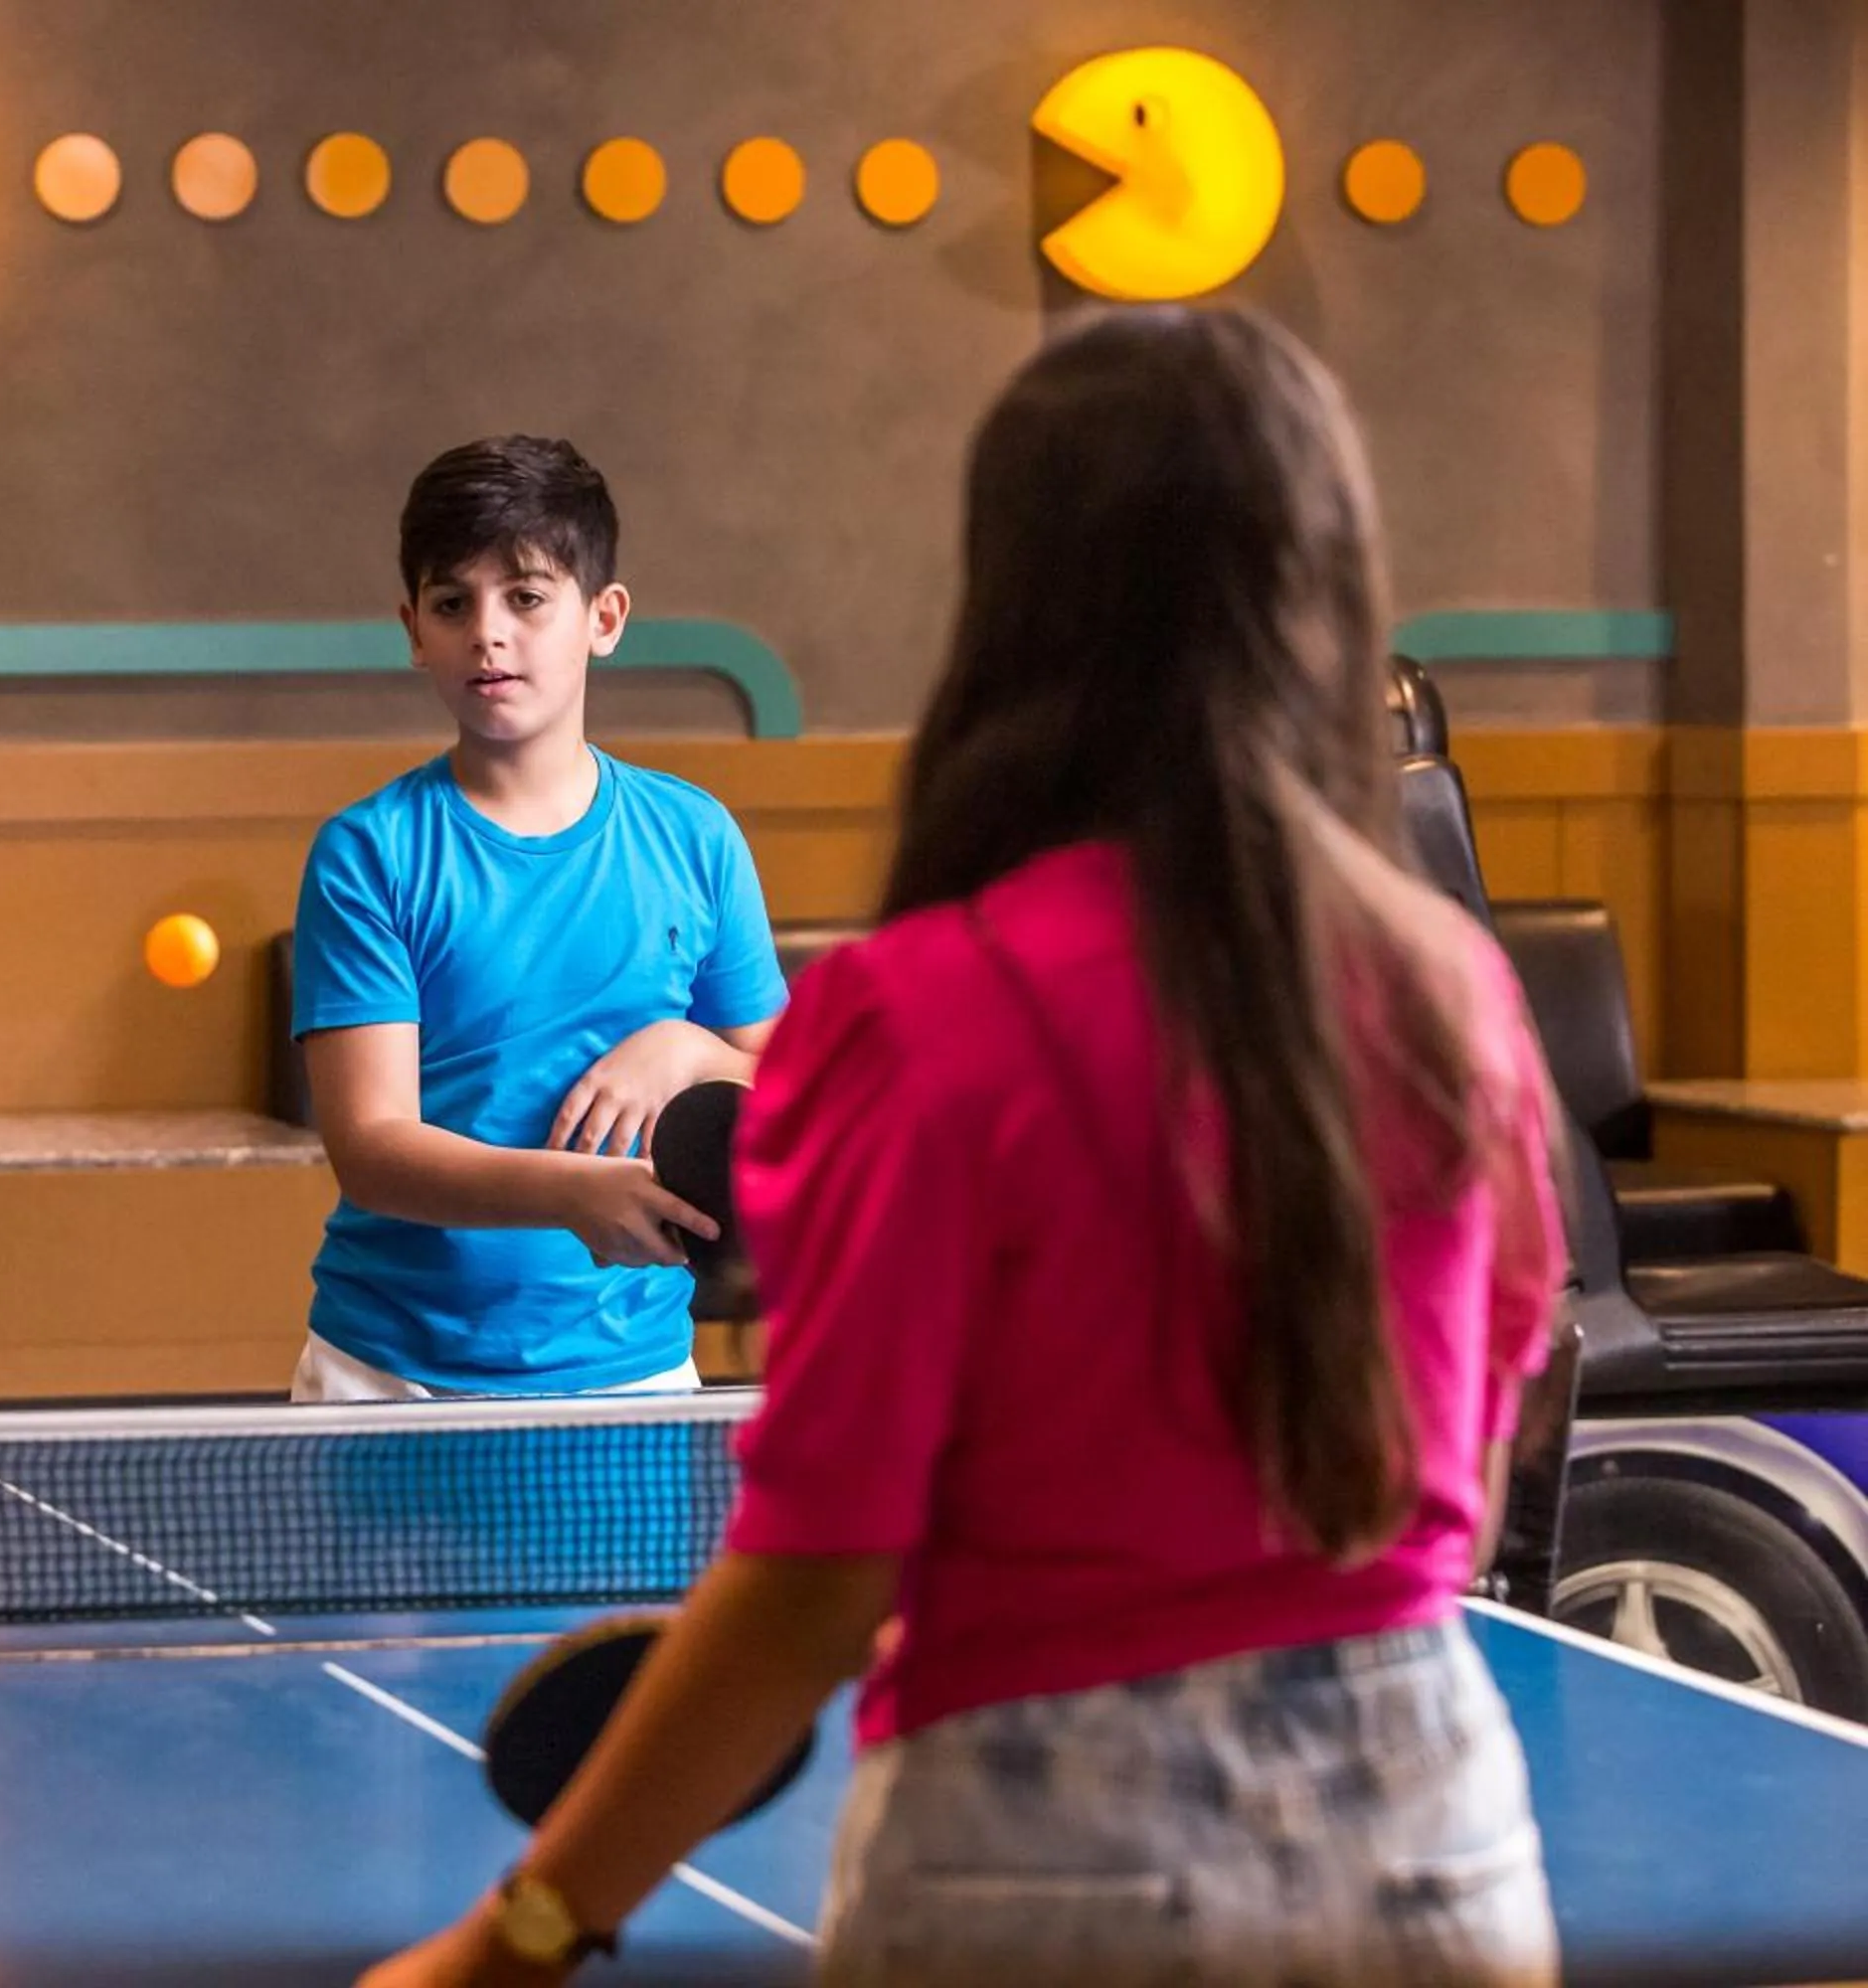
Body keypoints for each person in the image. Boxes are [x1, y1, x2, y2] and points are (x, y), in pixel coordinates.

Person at [359, 309, 1569, 1983]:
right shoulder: (1452, 990)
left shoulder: (922, 1015)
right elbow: (1480, 1447)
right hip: (1434, 1846)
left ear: (1014, 600)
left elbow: (814, 1583)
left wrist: (520, 1937)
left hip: (1043, 1856)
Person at [289, 435, 788, 1402]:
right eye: (452, 603)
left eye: (525, 596)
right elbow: (372, 1148)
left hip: (633, 1371)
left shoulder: (696, 837)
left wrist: (689, 1049)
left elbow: (792, 1084)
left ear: (604, 617)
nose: (488, 632)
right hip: (389, 1374)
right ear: (413, 630)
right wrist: (570, 1193)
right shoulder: (369, 853)